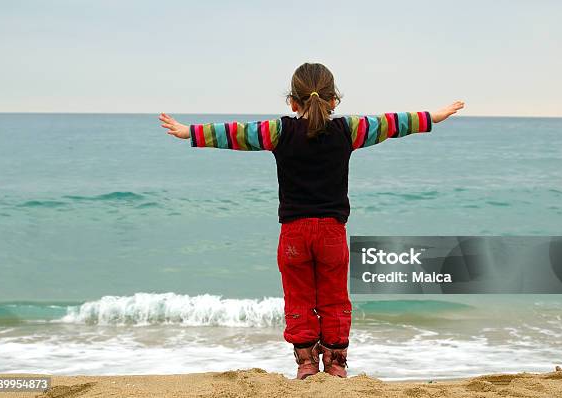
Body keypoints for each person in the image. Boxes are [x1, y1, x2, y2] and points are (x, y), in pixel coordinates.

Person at [159, 62, 464, 379]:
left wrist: (189, 133)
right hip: (332, 232)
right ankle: (335, 365)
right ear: (335, 100)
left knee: (298, 297)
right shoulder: (349, 130)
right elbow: (394, 123)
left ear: (292, 102)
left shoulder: (279, 132)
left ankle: (306, 364)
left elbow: (235, 134)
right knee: (334, 298)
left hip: (294, 234)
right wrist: (435, 116)